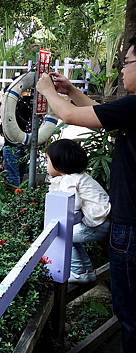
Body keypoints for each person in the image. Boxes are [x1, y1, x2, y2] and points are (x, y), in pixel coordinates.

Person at [36, 35, 136, 350]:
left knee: (130, 313)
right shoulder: (131, 110)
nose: (122, 70)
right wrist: (73, 92)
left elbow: (70, 117)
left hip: (132, 227)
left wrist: (48, 92)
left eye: (127, 63)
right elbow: (100, 116)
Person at [46, 139, 111, 284]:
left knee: (64, 236)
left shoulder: (69, 180)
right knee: (73, 238)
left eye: (48, 160)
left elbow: (73, 203)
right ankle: (87, 271)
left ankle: (77, 272)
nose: (46, 164)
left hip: (97, 224)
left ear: (59, 163)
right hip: (103, 220)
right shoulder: (79, 176)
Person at [0, 82, 31, 186]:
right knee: (21, 173)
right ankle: (22, 196)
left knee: (12, 175)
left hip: (11, 145)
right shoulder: (26, 104)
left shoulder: (9, 107)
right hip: (24, 143)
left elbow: (4, 128)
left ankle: (15, 196)